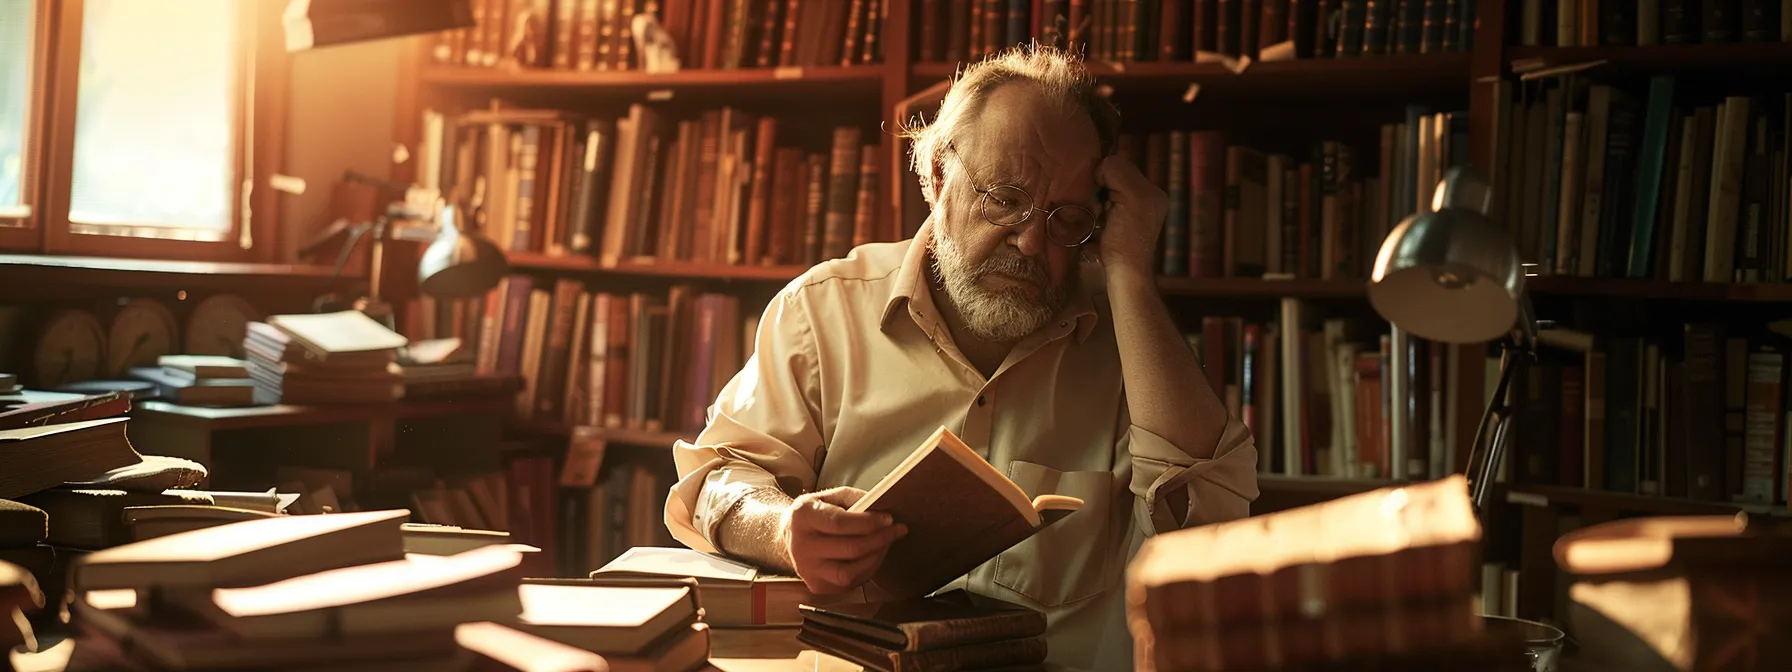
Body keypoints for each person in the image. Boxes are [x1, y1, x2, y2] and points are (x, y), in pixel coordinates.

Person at [663, 44, 1259, 671]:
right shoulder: (823, 312)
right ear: (939, 177)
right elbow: (715, 478)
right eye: (1004, 197)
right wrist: (783, 530)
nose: (1031, 240)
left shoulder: (1132, 348)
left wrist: (1131, 271)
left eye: (1067, 218)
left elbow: (1209, 523)